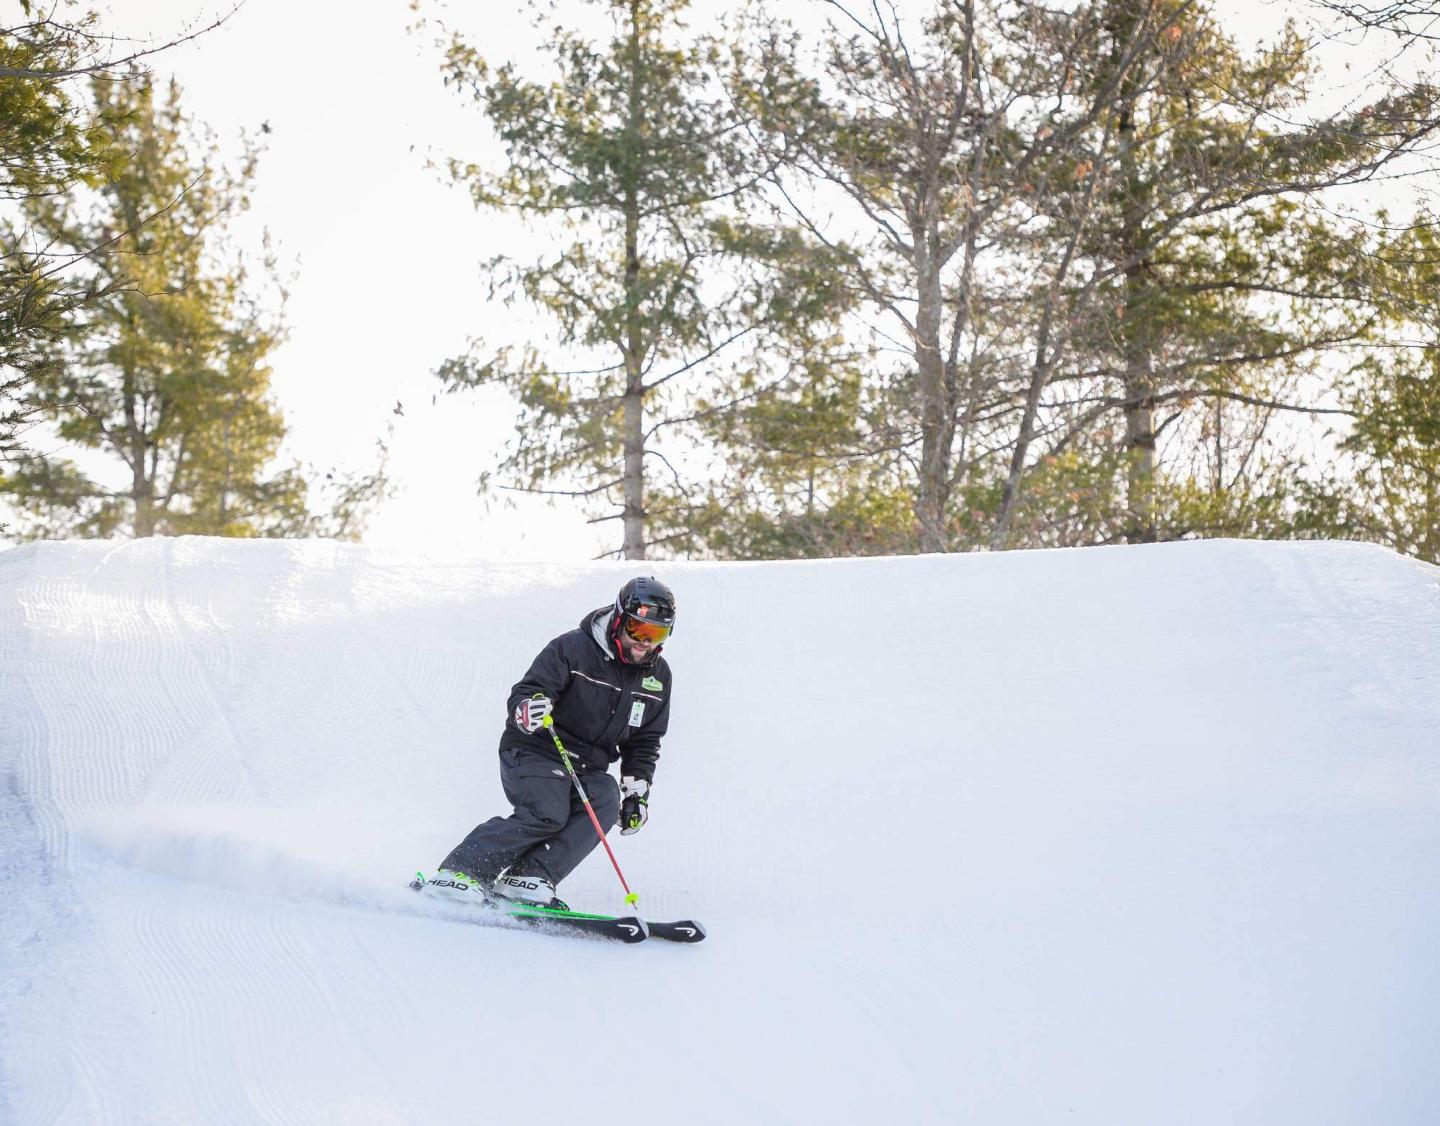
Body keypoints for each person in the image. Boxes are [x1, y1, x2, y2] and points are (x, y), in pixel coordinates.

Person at [430, 576, 676, 910]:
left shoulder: (658, 677)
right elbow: (527, 691)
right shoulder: (572, 648)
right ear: (619, 619)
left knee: (604, 799)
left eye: (656, 634)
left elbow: (646, 739)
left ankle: (529, 876)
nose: (644, 642)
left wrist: (637, 791)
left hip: (588, 766)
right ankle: (461, 873)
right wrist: (529, 709)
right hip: (536, 750)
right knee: (548, 813)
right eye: (637, 629)